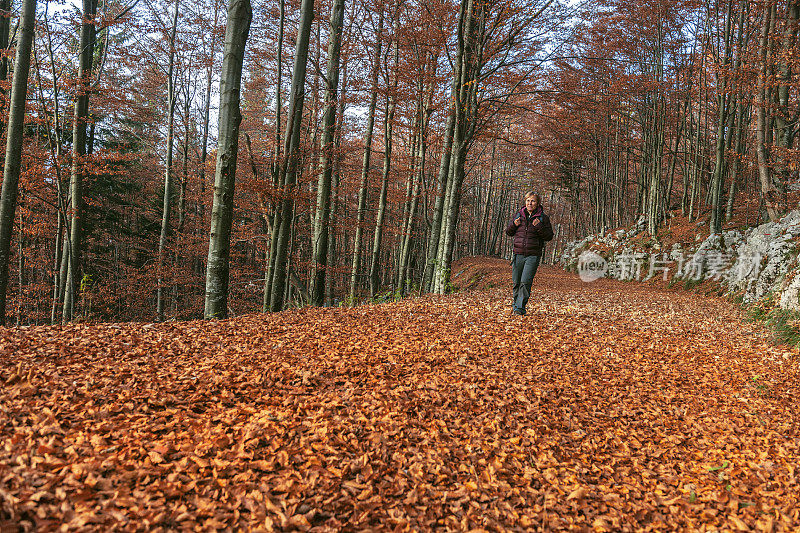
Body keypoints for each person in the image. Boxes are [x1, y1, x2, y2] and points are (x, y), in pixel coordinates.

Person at [505, 191, 553, 315]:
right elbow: (509, 232)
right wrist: (514, 225)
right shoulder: (519, 215)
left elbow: (549, 236)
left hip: (533, 255)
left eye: (532, 201)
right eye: (528, 200)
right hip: (518, 254)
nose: (530, 203)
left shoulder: (542, 218)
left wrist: (539, 226)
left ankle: (520, 308)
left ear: (537, 203)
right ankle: (516, 305)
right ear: (525, 202)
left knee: (525, 282)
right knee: (516, 282)